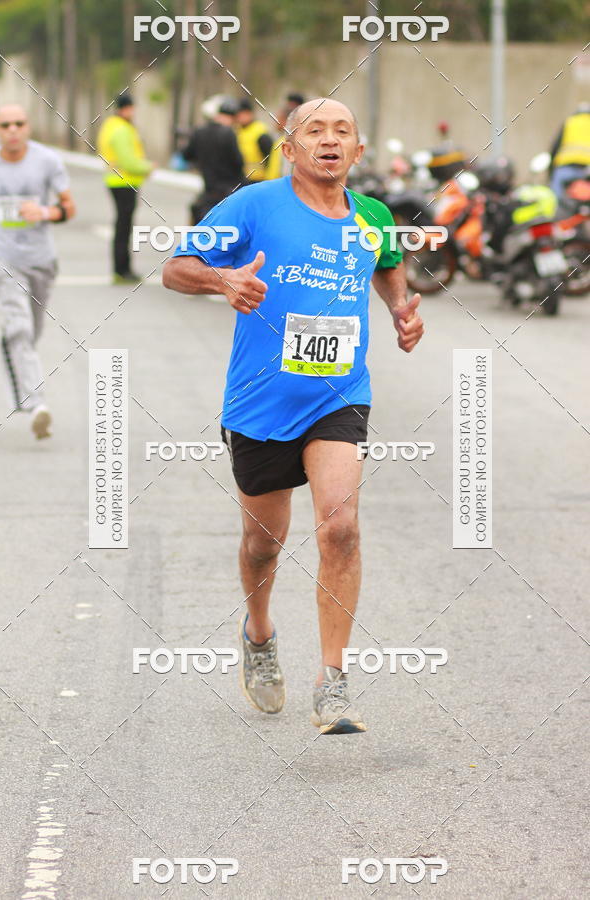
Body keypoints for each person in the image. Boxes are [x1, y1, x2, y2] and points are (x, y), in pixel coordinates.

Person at [163, 98, 424, 735]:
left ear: (358, 152)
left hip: (338, 394)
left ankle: (332, 681)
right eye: (314, 131)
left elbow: (387, 267)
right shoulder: (254, 205)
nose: (328, 140)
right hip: (260, 401)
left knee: (341, 530)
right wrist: (225, 282)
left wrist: (399, 309)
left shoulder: (372, 216)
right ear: (290, 148)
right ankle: (258, 634)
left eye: (342, 132)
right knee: (262, 542)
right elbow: (174, 266)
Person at [0, 104, 75, 439]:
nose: (12, 129)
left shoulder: (47, 160)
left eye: (19, 124)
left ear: (28, 127)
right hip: (0, 258)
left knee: (30, 332)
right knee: (19, 328)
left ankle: (24, 388)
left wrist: (44, 212)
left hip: (40, 260)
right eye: (5, 124)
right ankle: (37, 402)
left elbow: (68, 206)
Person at [97, 93, 153, 284]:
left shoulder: (110, 126)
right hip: (124, 182)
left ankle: (122, 269)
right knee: (123, 228)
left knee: (122, 226)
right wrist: (147, 167)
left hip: (115, 181)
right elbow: (127, 160)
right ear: (125, 109)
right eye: (131, 108)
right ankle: (122, 270)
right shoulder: (121, 130)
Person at [182, 95, 245, 223]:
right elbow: (238, 163)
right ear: (232, 117)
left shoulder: (199, 131)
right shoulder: (229, 133)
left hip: (208, 190)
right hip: (228, 192)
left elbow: (186, 155)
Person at [549, 102, 590, 198]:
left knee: (556, 197)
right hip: (587, 169)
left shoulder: (569, 122)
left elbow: (555, 147)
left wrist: (550, 172)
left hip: (566, 168)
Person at [236, 99, 282, 183]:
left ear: (250, 113)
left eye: (242, 114)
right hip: (244, 178)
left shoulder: (260, 132)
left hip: (260, 179)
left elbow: (270, 159)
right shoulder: (238, 131)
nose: (239, 117)